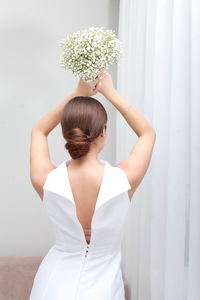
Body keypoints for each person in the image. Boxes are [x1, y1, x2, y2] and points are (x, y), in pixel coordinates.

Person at [29, 71, 156, 300]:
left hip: (52, 285)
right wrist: (111, 93)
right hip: (104, 289)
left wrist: (77, 94)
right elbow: (147, 133)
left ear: (65, 133)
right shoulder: (123, 180)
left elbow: (38, 130)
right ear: (103, 133)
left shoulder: (45, 179)